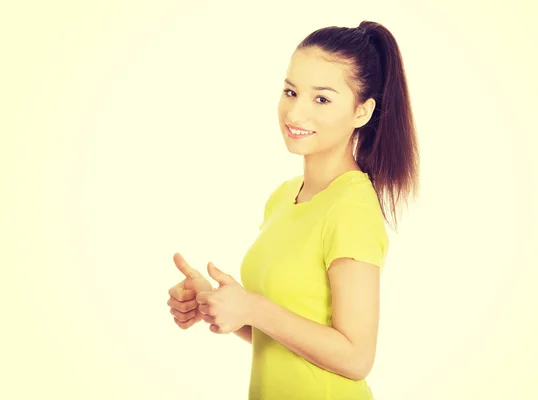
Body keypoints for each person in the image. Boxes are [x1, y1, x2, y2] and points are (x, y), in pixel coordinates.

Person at [167, 20, 419, 399]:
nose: (295, 113)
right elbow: (283, 336)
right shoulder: (284, 196)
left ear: (362, 113)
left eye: (321, 98)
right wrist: (218, 303)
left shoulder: (351, 207)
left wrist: (253, 307)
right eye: (290, 91)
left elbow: (356, 357)